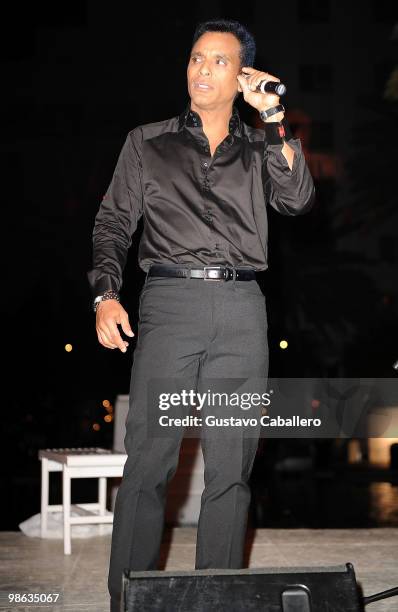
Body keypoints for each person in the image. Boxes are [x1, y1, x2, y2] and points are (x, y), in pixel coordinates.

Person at [88, 18, 315, 611]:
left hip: (242, 312)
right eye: (196, 58)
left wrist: (271, 117)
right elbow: (113, 223)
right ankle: (129, 599)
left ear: (240, 75)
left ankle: (216, 598)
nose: (202, 69)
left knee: (231, 471)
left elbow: (297, 199)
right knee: (149, 464)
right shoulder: (147, 142)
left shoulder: (260, 144)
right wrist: (104, 293)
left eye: (218, 61)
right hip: (169, 308)